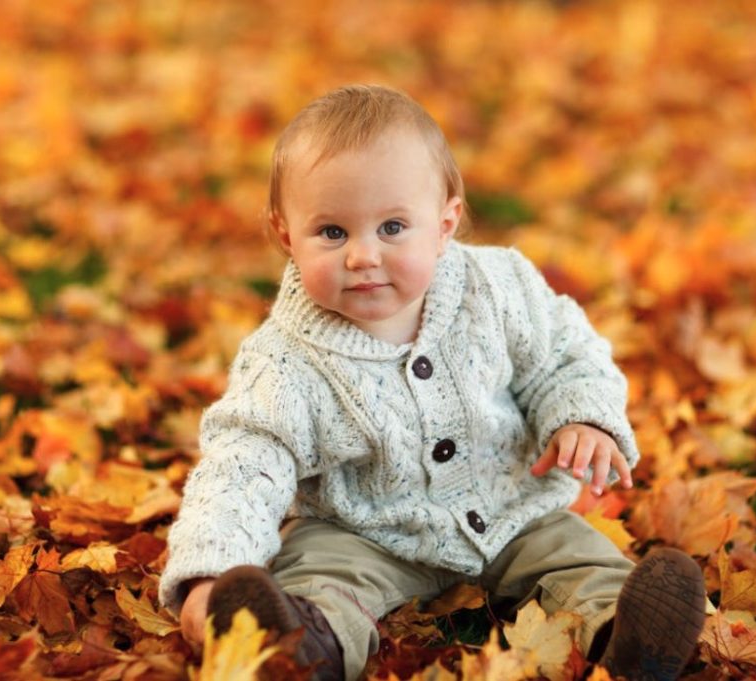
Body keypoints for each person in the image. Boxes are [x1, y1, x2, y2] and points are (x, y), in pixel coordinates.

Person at [158, 84, 706, 681]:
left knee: (577, 561)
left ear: (444, 224)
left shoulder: (498, 287)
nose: (363, 256)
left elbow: (565, 355)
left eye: (393, 227)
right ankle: (297, 646)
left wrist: (582, 417)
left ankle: (625, 636)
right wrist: (210, 570)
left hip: (513, 508)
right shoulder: (284, 361)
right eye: (333, 233)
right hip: (366, 530)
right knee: (321, 576)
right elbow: (243, 464)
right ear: (286, 235)